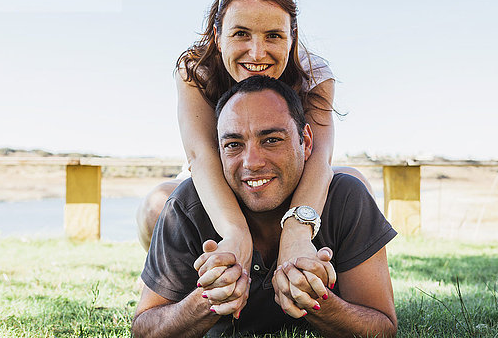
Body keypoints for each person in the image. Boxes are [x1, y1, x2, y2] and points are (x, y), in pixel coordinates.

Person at [136, 0, 374, 316]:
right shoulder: (196, 69)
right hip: (222, 178)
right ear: (218, 36)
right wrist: (236, 234)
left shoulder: (315, 74)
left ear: (292, 37)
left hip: (287, 186)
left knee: (358, 182)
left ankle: (335, 277)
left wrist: (296, 234)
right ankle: (162, 278)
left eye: (274, 35)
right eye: (241, 34)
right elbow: (202, 156)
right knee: (157, 204)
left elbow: (320, 158)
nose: (257, 51)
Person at [133, 76, 397, 338]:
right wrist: (207, 298)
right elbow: (143, 329)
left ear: (305, 141)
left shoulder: (345, 198)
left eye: (271, 140)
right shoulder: (188, 206)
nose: (252, 162)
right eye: (234, 145)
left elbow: (383, 326)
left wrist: (317, 299)